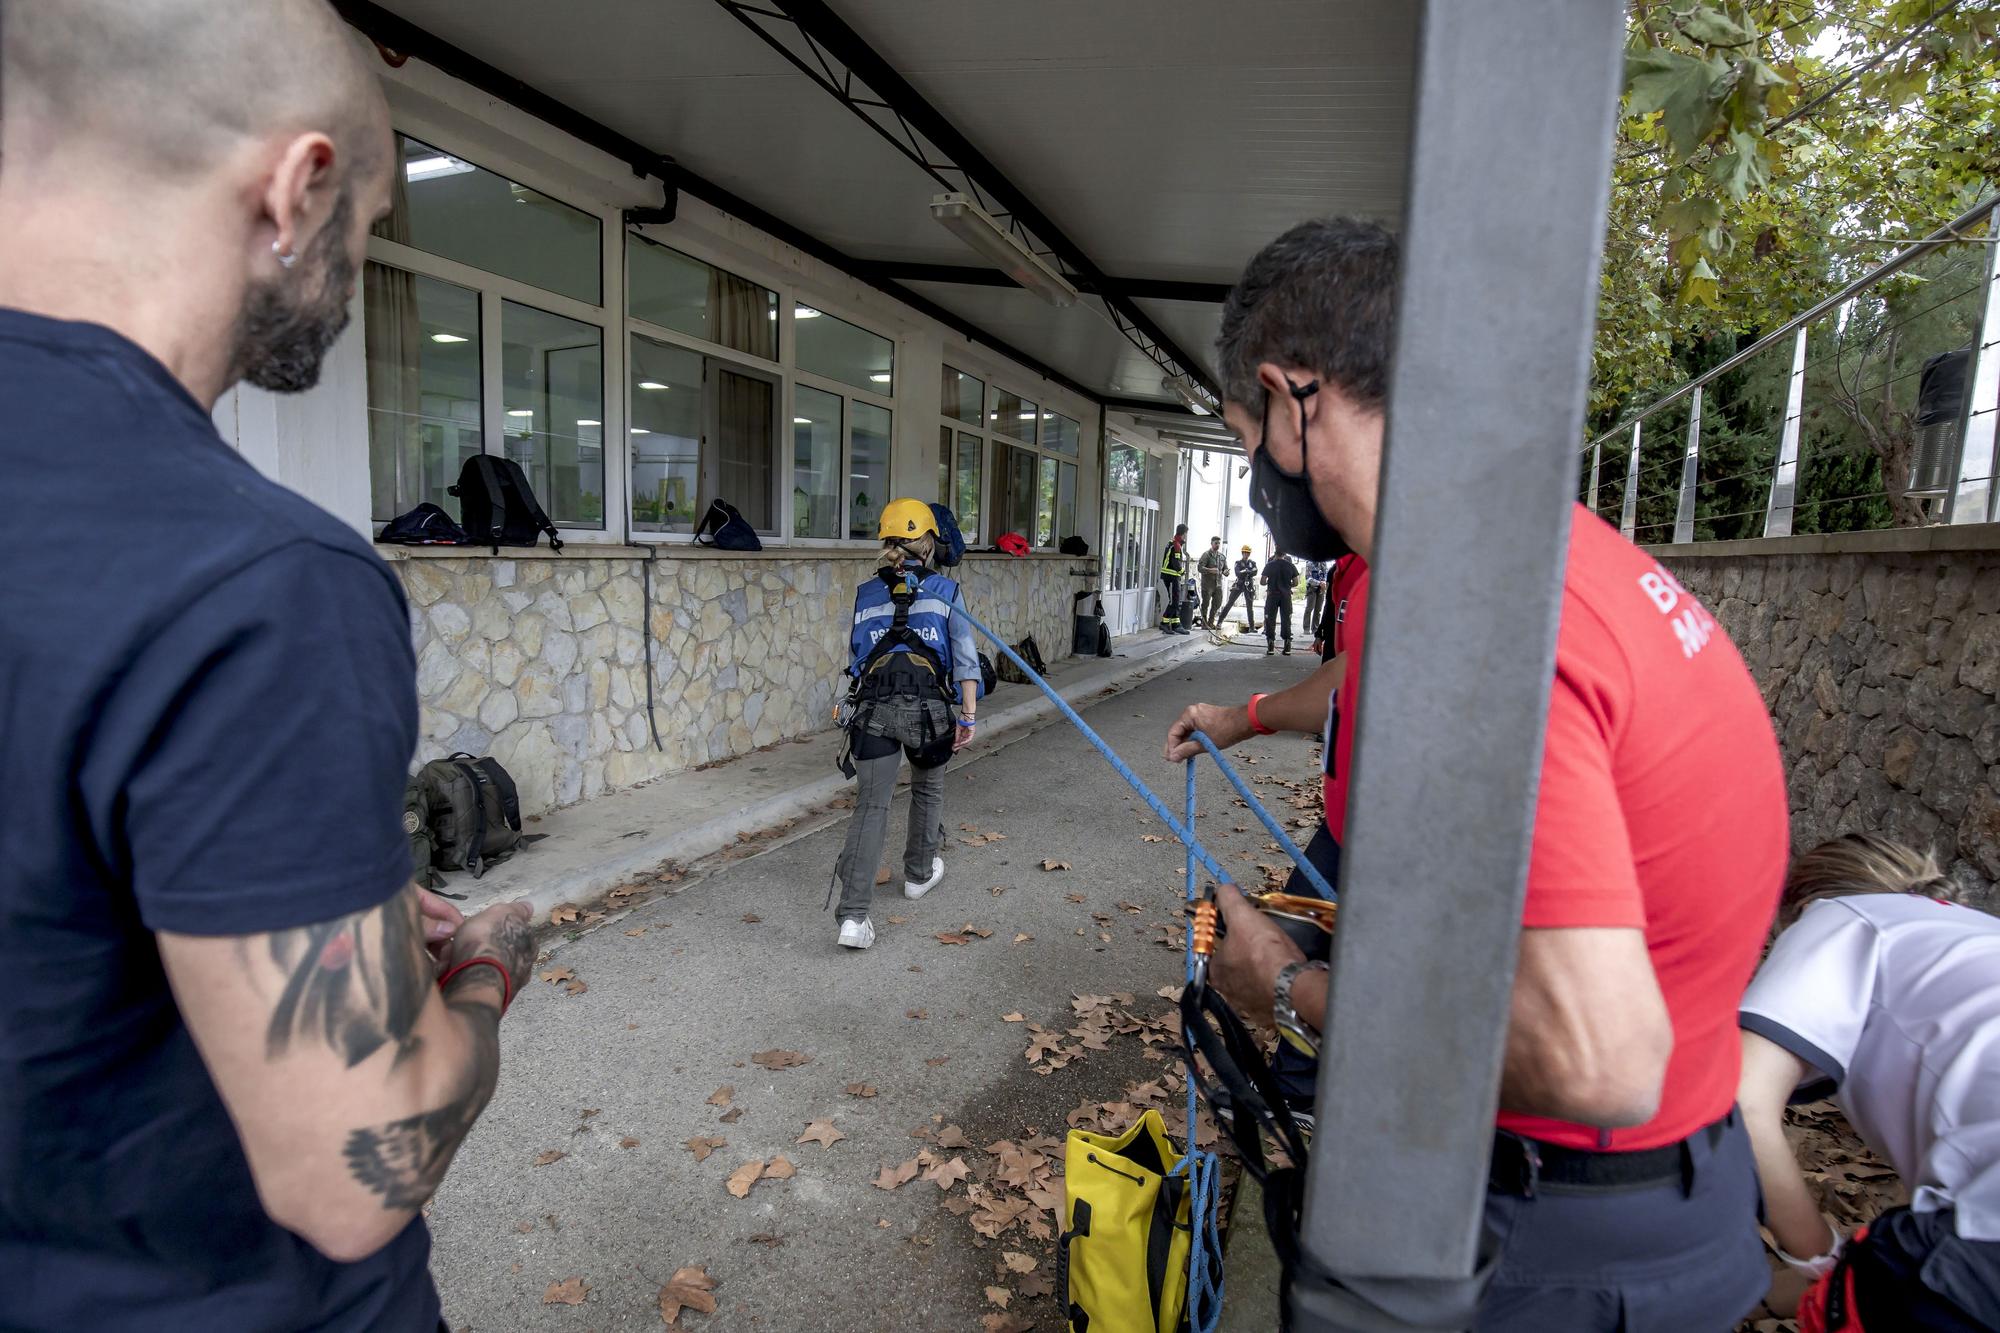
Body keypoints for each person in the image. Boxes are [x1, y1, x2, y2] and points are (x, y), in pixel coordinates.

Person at [0, 3, 539, 1329]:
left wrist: (298, 883)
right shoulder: (256, 581)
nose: (355, 281)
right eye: (365, 235)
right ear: (296, 190)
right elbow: (360, 1171)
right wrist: (488, 972)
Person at [1163, 217, 1789, 1329]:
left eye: (1242, 430)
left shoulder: (1480, 629)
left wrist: (1289, 994)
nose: (1256, 465)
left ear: (1289, 396)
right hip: (1658, 1201)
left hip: (1549, 1239)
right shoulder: (1552, 559)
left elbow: (1594, 1058)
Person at [1737, 834, 2000, 1331]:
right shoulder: (1974, 936)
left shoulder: (1842, 916)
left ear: (1805, 904)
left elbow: (1743, 1101)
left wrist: (1816, 1261)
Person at [830, 499, 982, 949]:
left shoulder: (865, 593)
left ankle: (853, 919)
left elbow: (858, 656)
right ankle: (918, 873)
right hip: (929, 712)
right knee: (928, 789)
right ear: (929, 542)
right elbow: (966, 662)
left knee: (871, 807)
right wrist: (968, 715)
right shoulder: (946, 592)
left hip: (874, 711)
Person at [1260, 550, 1300, 655]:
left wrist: (1271, 581)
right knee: (1286, 620)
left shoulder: (1269, 565)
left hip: (1272, 595)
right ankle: (1287, 646)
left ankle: (1271, 645)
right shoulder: (1290, 566)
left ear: (1275, 553)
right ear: (1285, 554)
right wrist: (1287, 585)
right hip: (1286, 596)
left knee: (1270, 620)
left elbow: (1262, 581)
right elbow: (1296, 582)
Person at [1216, 543, 1262, 632]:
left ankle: (1252, 627)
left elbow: (1255, 571)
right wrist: (1248, 571)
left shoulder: (1252, 563)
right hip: (1239, 584)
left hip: (1248, 585)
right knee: (1230, 603)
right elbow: (1238, 573)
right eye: (1245, 553)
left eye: (1247, 553)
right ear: (1242, 553)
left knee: (1250, 606)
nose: (1246, 554)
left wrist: (1246, 571)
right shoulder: (1238, 563)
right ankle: (1219, 622)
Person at [1158, 522, 1192, 634]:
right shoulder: (1176, 545)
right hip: (1171, 576)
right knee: (1174, 602)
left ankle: (1176, 624)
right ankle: (1164, 623)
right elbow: (1175, 562)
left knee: (1176, 601)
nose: (1186, 536)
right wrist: (1182, 571)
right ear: (1183, 534)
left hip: (1171, 576)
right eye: (1186, 534)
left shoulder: (1173, 542)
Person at [1197, 536, 1229, 631]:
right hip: (1207, 585)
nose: (1217, 545)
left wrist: (1226, 572)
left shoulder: (1222, 557)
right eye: (1216, 543)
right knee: (1205, 604)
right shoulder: (1206, 555)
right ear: (1211, 543)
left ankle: (1211, 622)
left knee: (1217, 603)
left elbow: (1225, 568)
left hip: (1218, 584)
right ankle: (1204, 623)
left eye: (1219, 543)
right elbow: (1200, 568)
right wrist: (1210, 570)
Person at [1300, 559, 1329, 642]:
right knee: (1309, 608)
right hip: (1312, 588)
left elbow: (1326, 574)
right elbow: (1308, 578)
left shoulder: (1323, 563)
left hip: (1321, 589)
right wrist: (1319, 583)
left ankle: (1315, 629)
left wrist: (1324, 582)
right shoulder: (1310, 563)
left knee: (1318, 610)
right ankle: (1306, 628)